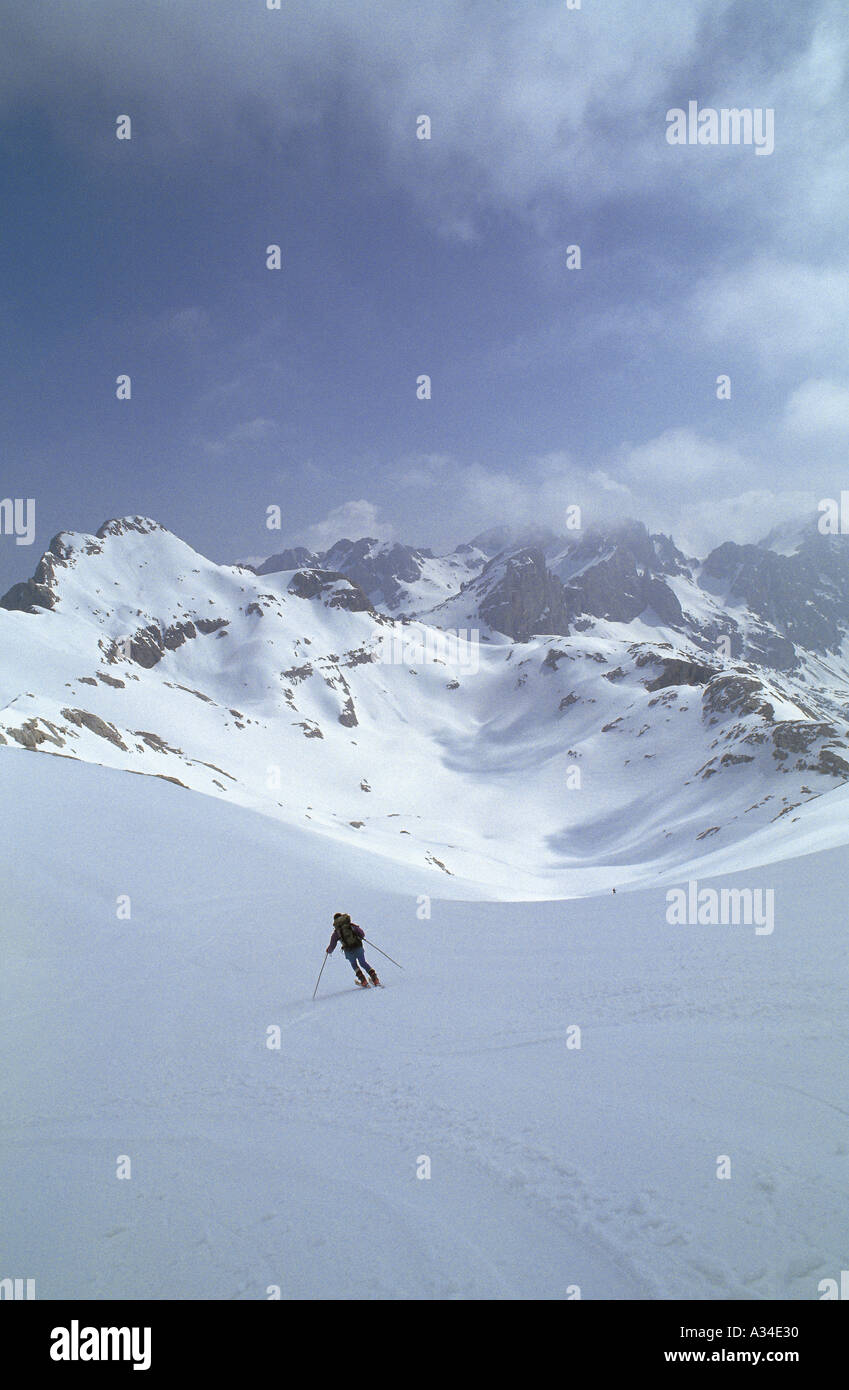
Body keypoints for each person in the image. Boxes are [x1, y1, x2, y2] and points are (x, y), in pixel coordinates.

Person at [327, 912, 380, 987]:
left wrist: (329, 951)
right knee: (363, 963)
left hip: (348, 951)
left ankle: (363, 981)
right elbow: (362, 934)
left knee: (354, 964)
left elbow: (332, 944)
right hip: (358, 947)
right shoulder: (351, 926)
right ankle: (375, 979)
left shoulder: (336, 932)